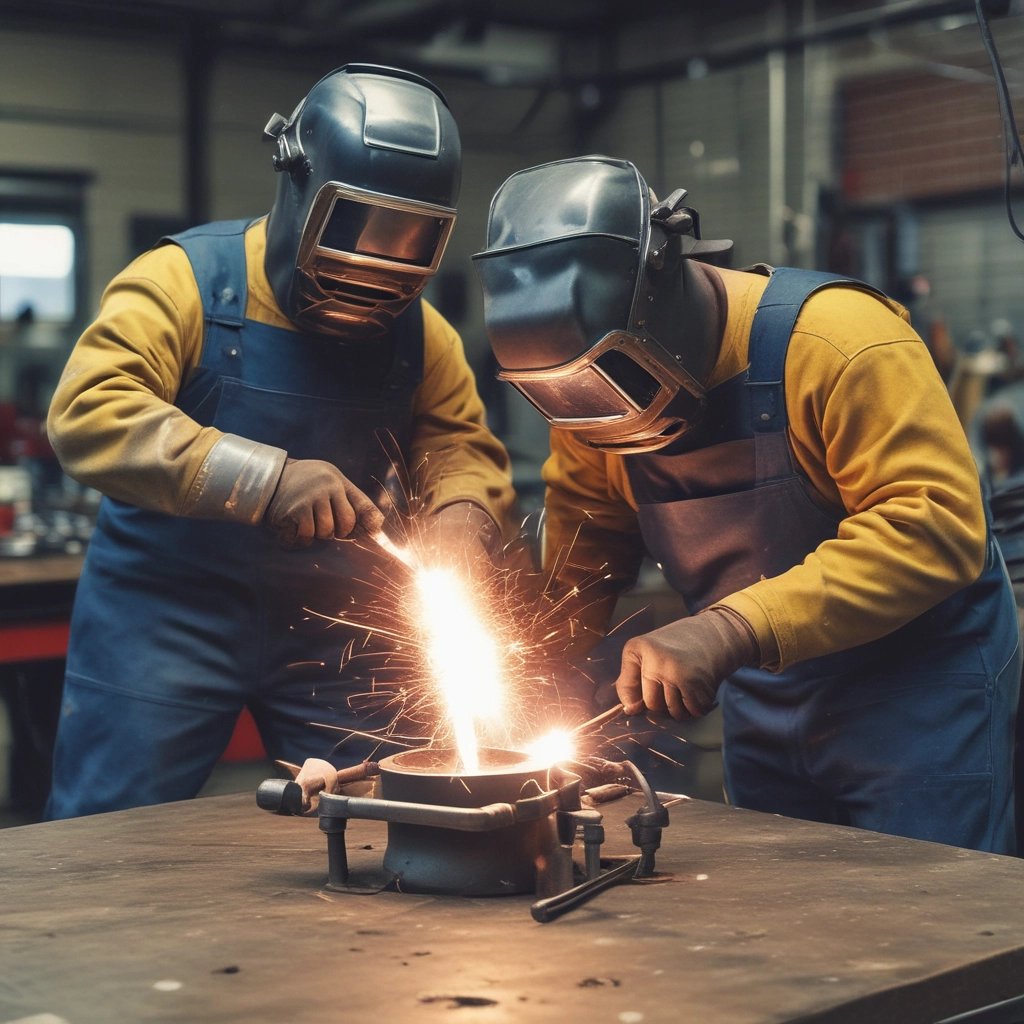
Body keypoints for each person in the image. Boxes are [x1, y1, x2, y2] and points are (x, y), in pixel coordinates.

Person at [472, 154, 1021, 854]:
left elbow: (933, 525)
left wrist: (726, 630)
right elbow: (592, 537)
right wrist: (536, 671)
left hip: (916, 693)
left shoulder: (837, 343)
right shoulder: (586, 392)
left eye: (615, 375)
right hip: (764, 695)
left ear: (660, 290)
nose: (605, 420)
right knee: (780, 916)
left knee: (931, 922)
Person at [44, 65, 515, 819]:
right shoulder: (181, 282)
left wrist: (464, 517)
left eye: (410, 239)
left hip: (337, 622)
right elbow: (89, 413)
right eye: (357, 226)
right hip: (166, 611)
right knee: (106, 831)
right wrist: (264, 478)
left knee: (393, 814)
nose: (378, 261)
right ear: (299, 190)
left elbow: (461, 446)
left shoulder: (424, 334)